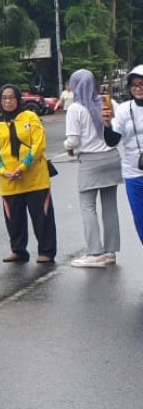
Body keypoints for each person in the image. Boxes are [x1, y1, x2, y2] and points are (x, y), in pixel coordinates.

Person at [0, 84, 57, 264]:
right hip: (9, 182)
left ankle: (46, 251)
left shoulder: (30, 117)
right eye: (4, 98)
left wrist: (23, 167)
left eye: (11, 97)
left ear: (18, 99)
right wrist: (3, 171)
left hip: (35, 179)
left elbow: (38, 144)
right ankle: (18, 250)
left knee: (42, 217)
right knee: (14, 219)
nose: (8, 101)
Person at [65, 70, 122, 267]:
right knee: (110, 207)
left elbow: (73, 139)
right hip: (112, 158)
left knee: (88, 207)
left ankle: (95, 252)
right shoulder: (108, 103)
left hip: (90, 161)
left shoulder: (76, 109)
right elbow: (117, 130)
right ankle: (110, 252)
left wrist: (67, 148)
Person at [108, 66, 143, 245]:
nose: (138, 88)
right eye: (134, 85)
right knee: (140, 219)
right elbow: (112, 140)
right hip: (133, 172)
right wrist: (106, 125)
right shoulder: (123, 110)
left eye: (141, 84)